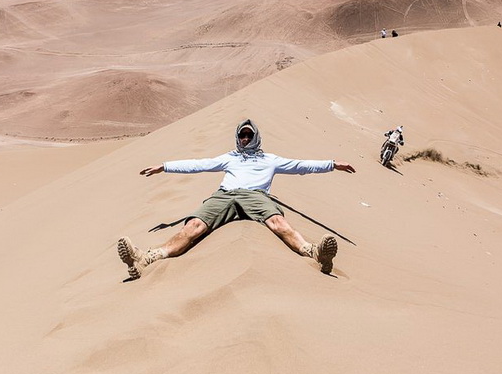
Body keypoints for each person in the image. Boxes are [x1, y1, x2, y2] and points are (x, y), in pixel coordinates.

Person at [117, 119, 356, 280]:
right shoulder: (230, 158)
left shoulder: (270, 159)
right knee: (194, 227)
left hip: (255, 196)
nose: (244, 138)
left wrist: (332, 164)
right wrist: (165, 167)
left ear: (255, 137)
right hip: (224, 196)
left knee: (277, 222)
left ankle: (314, 252)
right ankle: (146, 259)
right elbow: (200, 164)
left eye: (248, 135)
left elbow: (301, 166)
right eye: (241, 135)